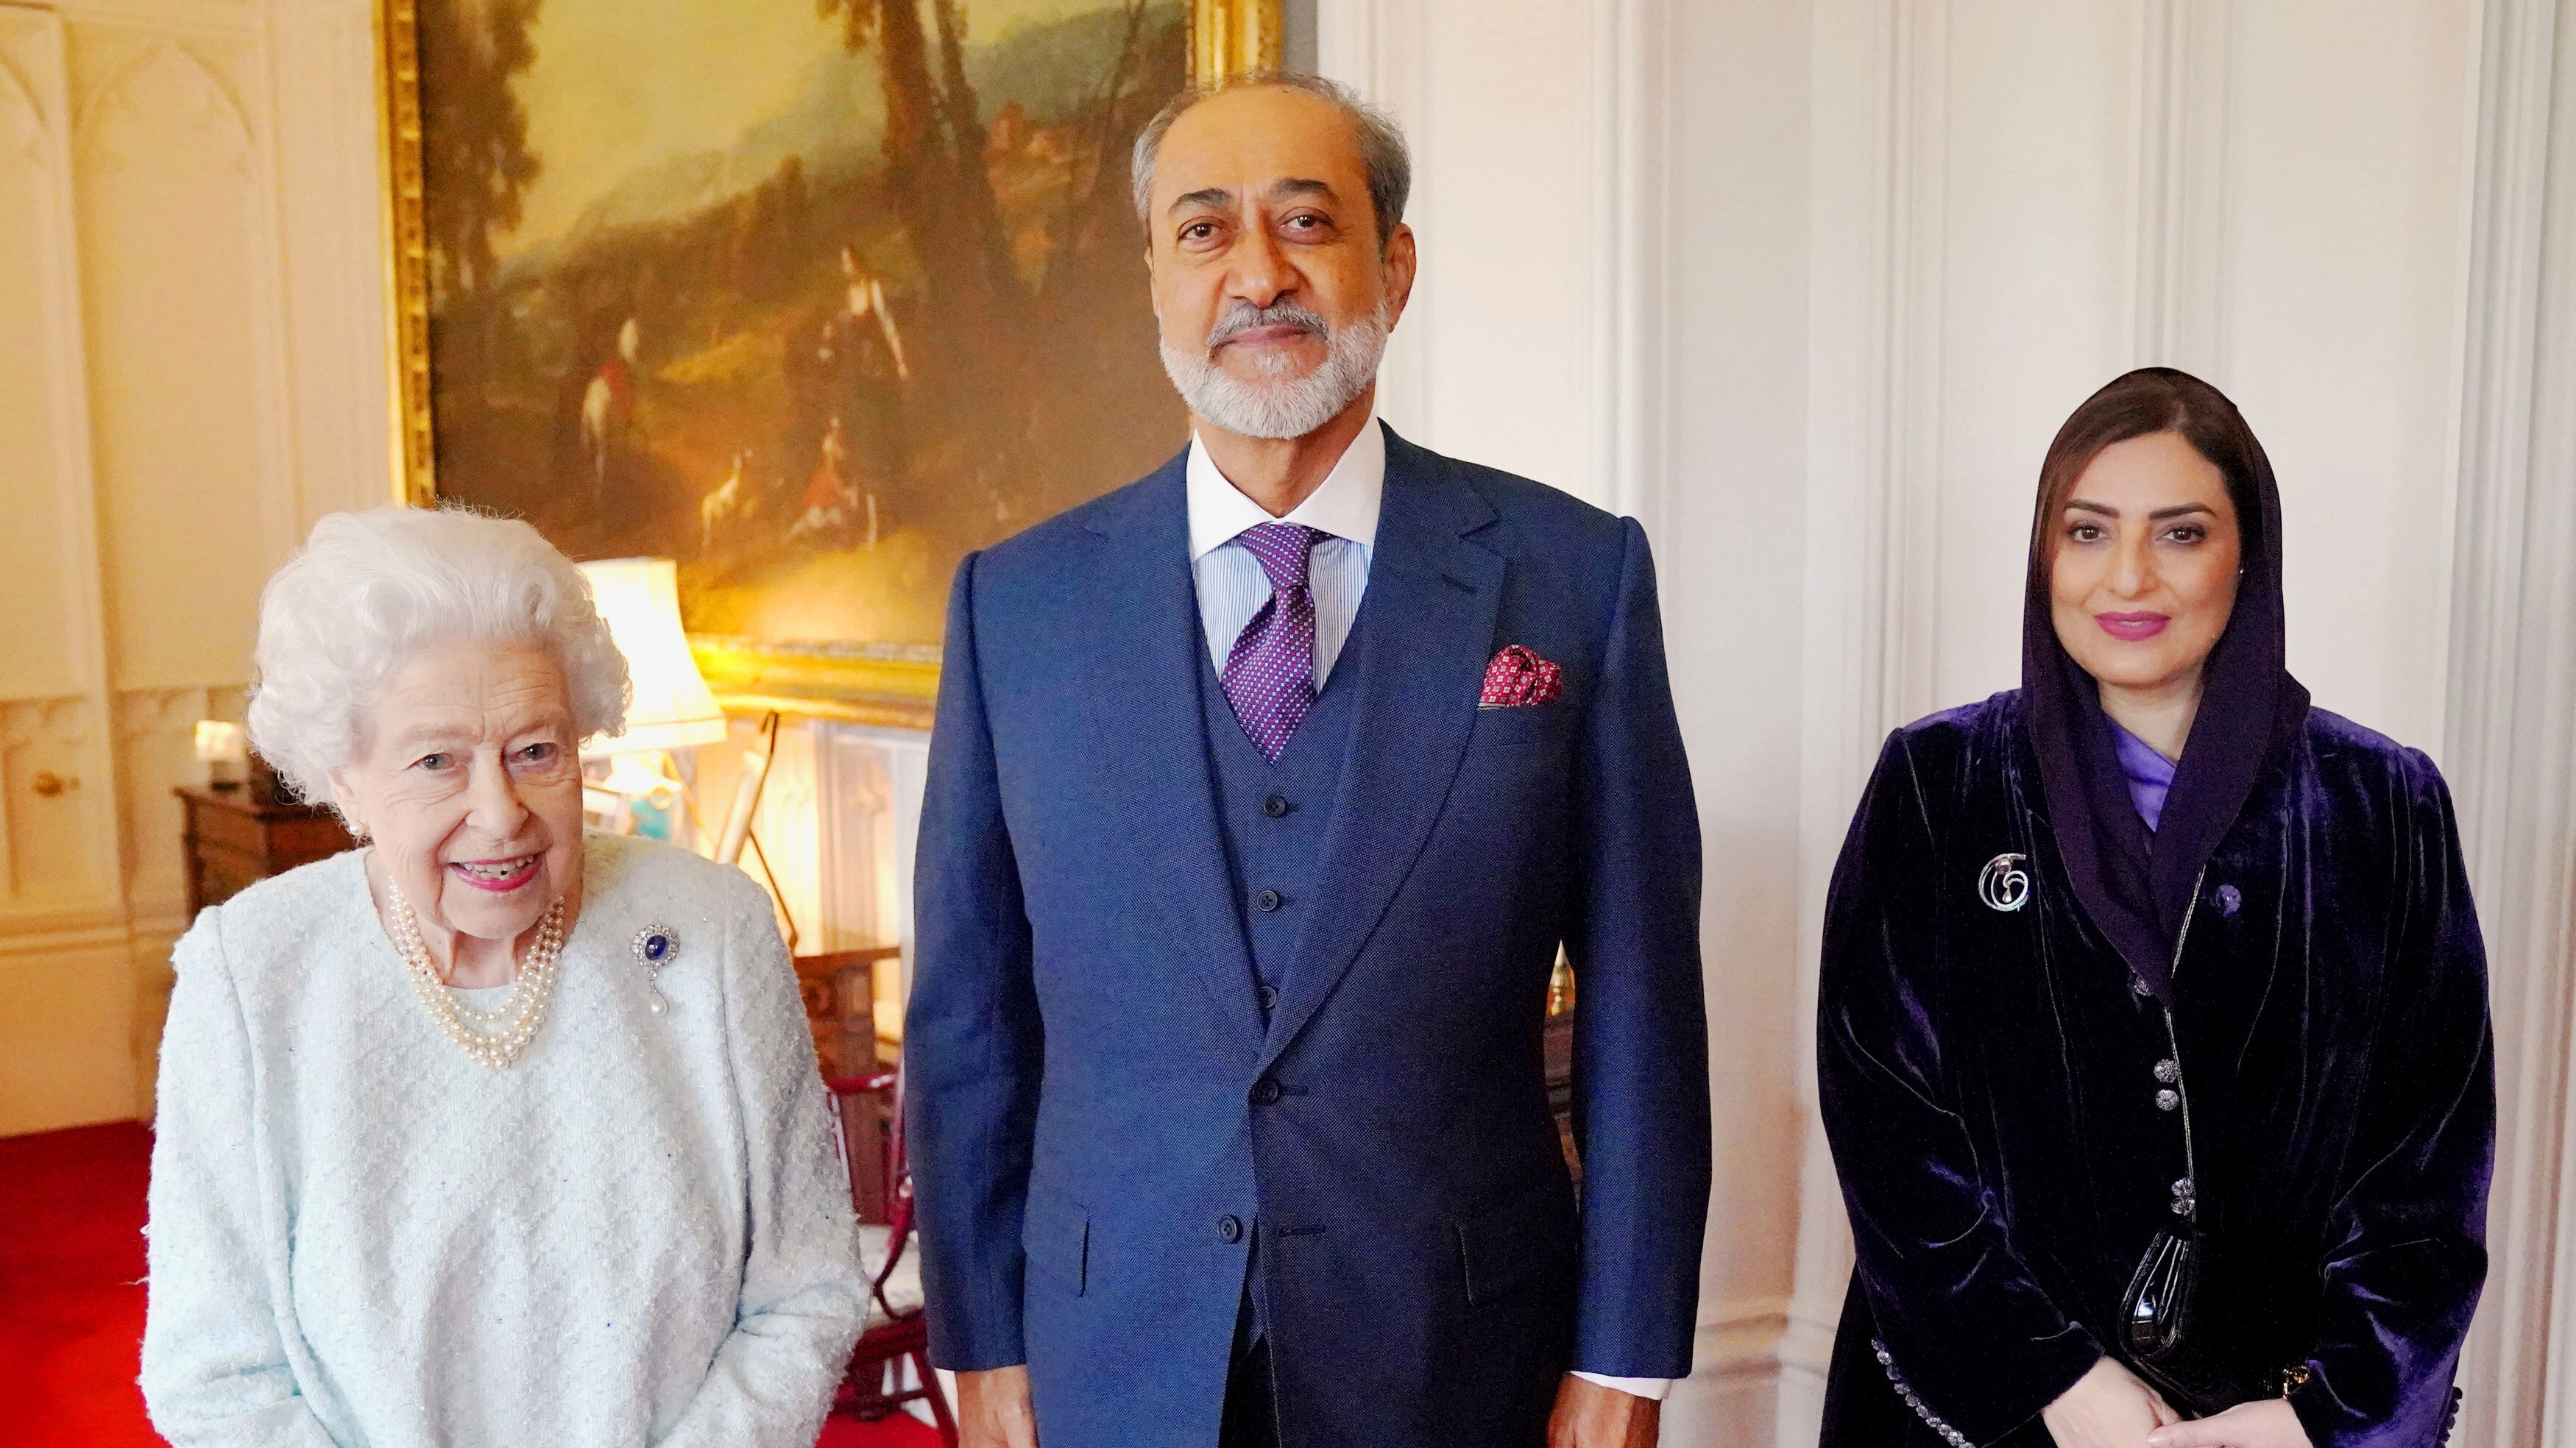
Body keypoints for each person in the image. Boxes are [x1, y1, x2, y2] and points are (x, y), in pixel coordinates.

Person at [905, 73, 1710, 1448]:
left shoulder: (1575, 577)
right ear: (1156, 280)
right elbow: (970, 1015)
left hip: (1462, 1351)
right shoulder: (1015, 605)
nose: (1258, 274)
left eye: (1307, 222)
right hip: (1111, 1351)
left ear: (1393, 267)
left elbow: (1643, 1004)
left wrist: (1626, 1360)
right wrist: (979, 1340)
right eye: (1204, 230)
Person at [1816, 369, 2493, 1448]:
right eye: (2087, 532)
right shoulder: (1937, 786)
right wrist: (2056, 1381)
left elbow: (2427, 1167)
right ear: (2044, 555)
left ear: (2246, 556)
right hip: (1984, 1415)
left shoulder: (2383, 806)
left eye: (2179, 534)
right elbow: (1886, 1129)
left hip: (2265, 1419)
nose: (2126, 576)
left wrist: (2319, 1418)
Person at [141, 506, 867, 1447]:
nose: (500, 813)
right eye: (436, 762)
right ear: (344, 776)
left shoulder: (713, 929)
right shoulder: (251, 971)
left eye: (535, 750)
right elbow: (213, 1370)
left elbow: (805, 1289)